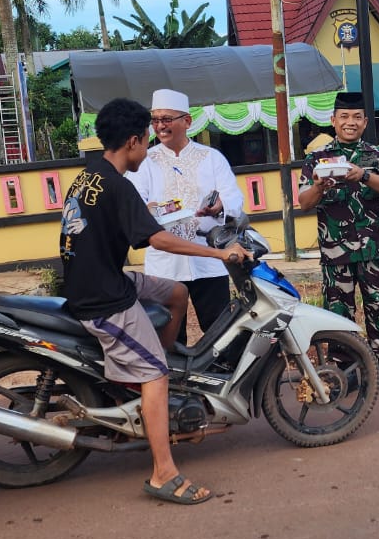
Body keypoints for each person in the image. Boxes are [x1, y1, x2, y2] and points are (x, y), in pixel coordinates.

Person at [60, 97, 249, 505]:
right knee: (155, 377)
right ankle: (164, 471)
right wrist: (221, 253)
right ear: (132, 141)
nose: (149, 147)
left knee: (176, 293)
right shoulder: (120, 185)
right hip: (104, 298)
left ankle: (160, 365)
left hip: (105, 277)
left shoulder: (88, 176)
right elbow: (158, 237)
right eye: (146, 137)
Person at [297, 91, 379, 394]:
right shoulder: (316, 158)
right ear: (333, 120)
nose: (350, 123)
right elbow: (303, 202)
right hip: (336, 252)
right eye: (344, 117)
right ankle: (346, 372)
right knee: (339, 313)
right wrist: (319, 186)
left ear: (365, 122)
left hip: (373, 249)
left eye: (356, 117)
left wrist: (364, 175)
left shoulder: (378, 155)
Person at [126, 88, 244, 344]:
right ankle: (175, 380)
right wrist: (150, 209)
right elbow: (134, 201)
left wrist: (219, 205)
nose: (160, 126)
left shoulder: (211, 158)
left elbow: (234, 197)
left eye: (167, 119)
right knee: (167, 329)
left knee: (220, 329)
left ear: (187, 121)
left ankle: (219, 379)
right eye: (155, 120)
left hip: (209, 257)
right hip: (165, 261)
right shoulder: (145, 161)